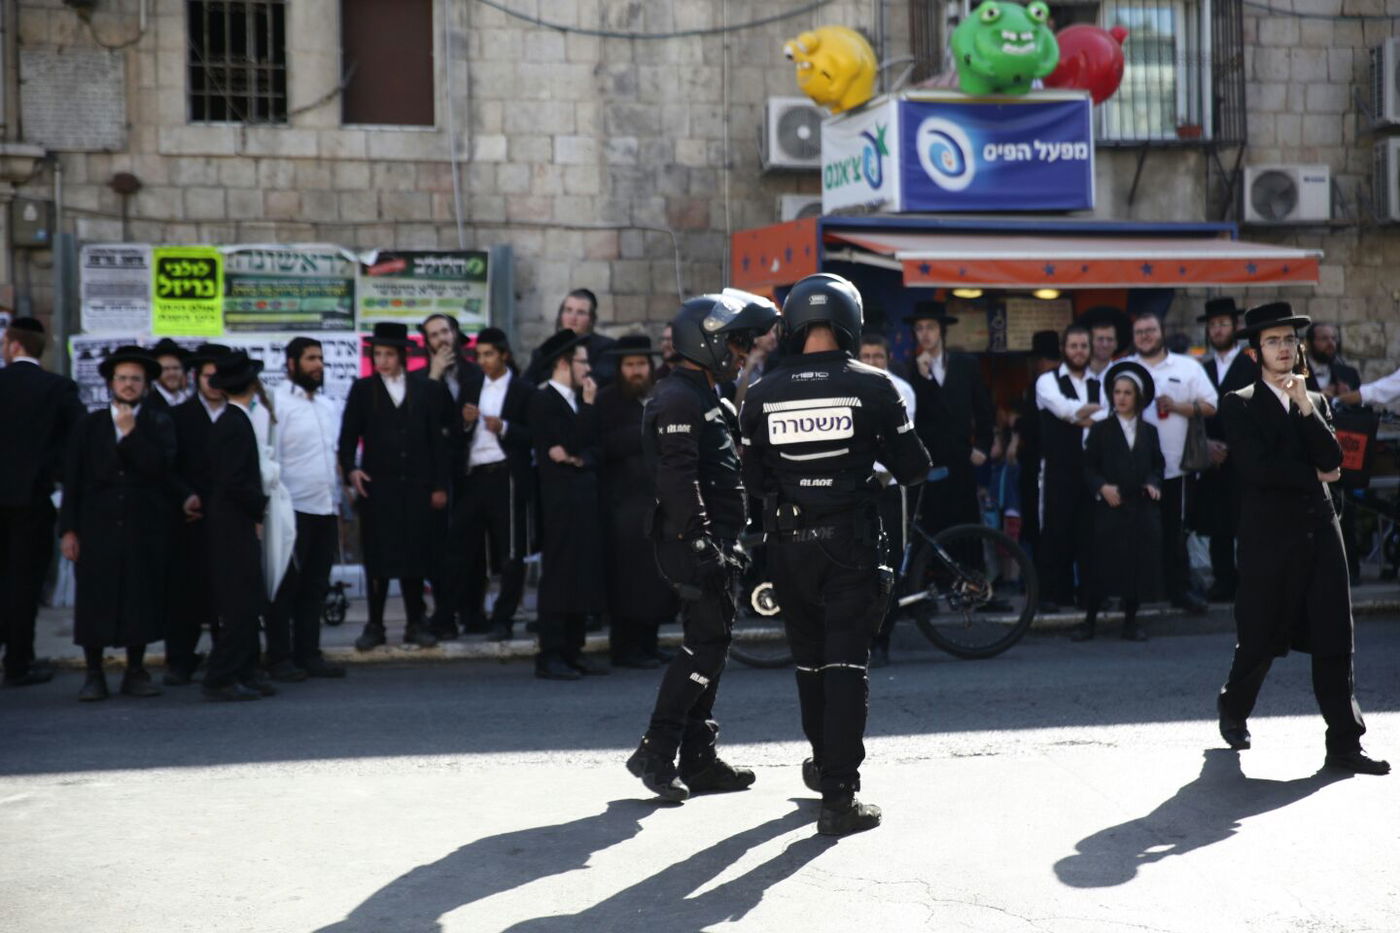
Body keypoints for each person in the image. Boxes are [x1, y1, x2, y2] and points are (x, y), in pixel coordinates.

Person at [739, 273, 931, 836]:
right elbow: (914, 468)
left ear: (794, 322)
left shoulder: (761, 392)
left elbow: (752, 479)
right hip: (849, 545)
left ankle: (824, 765)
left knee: (808, 664)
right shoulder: (875, 386)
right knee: (847, 666)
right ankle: (839, 798)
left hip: (787, 549)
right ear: (850, 319)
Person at [1216, 302, 1387, 775]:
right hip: (1269, 540)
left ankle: (1345, 746)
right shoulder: (1239, 402)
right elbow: (1257, 470)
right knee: (1259, 637)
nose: (1284, 348)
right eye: (1273, 341)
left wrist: (1307, 407)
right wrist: (1315, 473)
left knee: (1335, 637)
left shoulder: (1317, 401)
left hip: (1321, 532)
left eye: (1290, 340)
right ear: (1256, 352)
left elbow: (1336, 458)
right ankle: (1233, 708)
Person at [625, 291, 777, 802]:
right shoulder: (676, 398)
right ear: (706, 341)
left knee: (713, 645)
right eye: (736, 342)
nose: (742, 352)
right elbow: (677, 477)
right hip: (691, 543)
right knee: (705, 645)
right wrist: (701, 541)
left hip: (718, 541)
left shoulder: (710, 395)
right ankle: (655, 751)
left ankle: (698, 758)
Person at [60, 347, 188, 700]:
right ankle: (94, 673)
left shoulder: (158, 422)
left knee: (139, 598)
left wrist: (131, 437)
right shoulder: (90, 424)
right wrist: (68, 529)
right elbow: (74, 479)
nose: (129, 385)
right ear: (110, 383)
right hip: (96, 525)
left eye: (135, 379)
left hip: (142, 525)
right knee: (94, 600)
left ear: (146, 385)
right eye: (122, 378)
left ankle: (136, 670)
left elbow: (161, 470)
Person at [339, 322, 450, 651]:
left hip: (416, 487)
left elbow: (437, 443)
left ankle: (416, 621)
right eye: (378, 354)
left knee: (415, 555)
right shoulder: (362, 390)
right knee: (378, 557)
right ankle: (375, 624)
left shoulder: (423, 389)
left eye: (388, 354)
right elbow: (346, 438)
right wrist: (351, 471)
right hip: (379, 489)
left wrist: (439, 485)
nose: (382, 361)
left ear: (402, 355)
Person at [0, 317, 84, 687]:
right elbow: (76, 446)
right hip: (33, 500)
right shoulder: (58, 388)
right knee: (25, 583)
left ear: (14, 345)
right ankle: (19, 661)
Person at [265, 337, 346, 680]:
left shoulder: (327, 406)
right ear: (292, 364)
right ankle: (279, 657)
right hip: (291, 509)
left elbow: (333, 457)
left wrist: (340, 501)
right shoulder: (275, 404)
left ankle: (308, 653)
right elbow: (270, 459)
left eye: (321, 359)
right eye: (311, 359)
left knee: (315, 586)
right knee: (285, 587)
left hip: (325, 508)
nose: (318, 365)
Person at [1125, 312, 1216, 615]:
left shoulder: (1187, 367)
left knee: (1174, 533)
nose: (1146, 336)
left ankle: (1179, 591)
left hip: (1176, 467)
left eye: (1150, 330)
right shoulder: (1123, 369)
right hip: (1134, 471)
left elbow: (1212, 404)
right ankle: (1138, 596)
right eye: (1140, 332)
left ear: (1161, 332)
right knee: (1136, 534)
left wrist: (1177, 406)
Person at [596, 334, 679, 668]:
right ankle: (626, 648)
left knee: (657, 578)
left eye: (640, 364)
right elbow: (602, 446)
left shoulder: (659, 396)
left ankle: (649, 642)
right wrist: (643, 434)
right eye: (629, 365)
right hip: (622, 506)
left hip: (657, 501)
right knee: (628, 582)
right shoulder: (607, 401)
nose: (635, 371)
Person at [530, 330, 608, 679]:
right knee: (560, 575)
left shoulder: (578, 401)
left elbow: (592, 450)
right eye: (582, 361)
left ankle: (574, 649)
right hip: (560, 502)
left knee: (582, 574)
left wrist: (578, 458)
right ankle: (551, 653)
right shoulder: (545, 401)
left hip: (584, 499)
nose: (587, 368)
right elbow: (567, 444)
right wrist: (587, 416)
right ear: (564, 363)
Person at [455, 327, 536, 642]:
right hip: (475, 474)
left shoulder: (523, 390)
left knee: (511, 549)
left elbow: (532, 435)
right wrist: (465, 421)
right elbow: (456, 432)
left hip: (507, 475)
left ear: (504, 355)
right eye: (480, 355)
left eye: (489, 354)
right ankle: (471, 613)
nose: (484, 361)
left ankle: (504, 617)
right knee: (468, 545)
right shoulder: (471, 385)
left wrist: (504, 428)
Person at [1074, 361, 1164, 642]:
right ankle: (1089, 621)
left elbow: (1157, 465)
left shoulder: (1149, 431)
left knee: (1135, 565)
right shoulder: (1101, 429)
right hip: (1110, 507)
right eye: (1117, 392)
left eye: (1127, 392)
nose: (1121, 398)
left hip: (1138, 507)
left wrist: (1152, 483)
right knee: (1101, 564)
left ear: (1137, 397)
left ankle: (1131, 622)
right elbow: (1088, 467)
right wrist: (1102, 487)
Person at [201, 352, 272, 702]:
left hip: (236, 521)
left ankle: (245, 670)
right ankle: (221, 676)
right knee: (239, 604)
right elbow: (233, 480)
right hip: (231, 525)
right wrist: (261, 506)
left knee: (249, 600)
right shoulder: (232, 423)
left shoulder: (234, 418)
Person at [164, 343, 231, 685]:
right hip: (191, 519)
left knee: (226, 591)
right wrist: (185, 496)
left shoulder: (238, 415)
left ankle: (225, 657)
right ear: (196, 377)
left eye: (221, 376)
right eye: (209, 376)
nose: (215, 382)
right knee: (186, 593)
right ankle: (180, 659)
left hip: (228, 518)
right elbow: (168, 468)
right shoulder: (180, 417)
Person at [904, 301, 994, 536]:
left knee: (964, 528)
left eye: (930, 327)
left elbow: (984, 409)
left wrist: (983, 446)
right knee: (928, 528)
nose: (925, 333)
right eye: (920, 328)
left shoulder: (966, 365)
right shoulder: (909, 370)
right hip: (928, 461)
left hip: (961, 460)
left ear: (941, 330)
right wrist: (923, 379)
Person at [1034, 324, 1105, 613]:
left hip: (1090, 469)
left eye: (1083, 346)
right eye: (1073, 346)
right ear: (1064, 349)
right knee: (1054, 531)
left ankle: (1087, 596)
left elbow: (1105, 416)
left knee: (1088, 533)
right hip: (1058, 468)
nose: (1078, 351)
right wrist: (1086, 412)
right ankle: (1050, 595)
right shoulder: (1046, 381)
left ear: (1090, 350)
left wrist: (1077, 414)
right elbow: (1063, 409)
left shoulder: (1100, 383)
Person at [1192, 298, 1258, 602]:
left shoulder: (1250, 364)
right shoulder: (1201, 368)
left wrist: (1233, 445)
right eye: (1213, 325)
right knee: (1218, 522)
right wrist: (1206, 444)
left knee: (1246, 521)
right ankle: (1222, 580)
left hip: (1243, 456)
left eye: (1223, 324)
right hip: (1212, 456)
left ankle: (1250, 581)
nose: (1217, 330)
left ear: (1235, 327)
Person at [857, 332, 917, 668]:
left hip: (890, 485)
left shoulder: (902, 390)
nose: (872, 362)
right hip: (857, 486)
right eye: (865, 356)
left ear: (887, 358)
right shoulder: (848, 387)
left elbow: (903, 441)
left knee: (888, 563)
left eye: (877, 356)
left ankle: (883, 638)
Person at [420, 313, 478, 636]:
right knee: (440, 547)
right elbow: (425, 423)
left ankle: (471, 611)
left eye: (445, 332)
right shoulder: (424, 379)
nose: (442, 339)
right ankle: (444, 614)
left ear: (455, 335)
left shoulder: (475, 373)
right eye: (434, 335)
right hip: (437, 474)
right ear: (427, 343)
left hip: (472, 470)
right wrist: (434, 376)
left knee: (469, 545)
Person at [1009, 330, 1060, 560]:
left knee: (1036, 518)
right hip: (1052, 462)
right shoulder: (1066, 382)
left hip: (1036, 463)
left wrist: (1013, 422)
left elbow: (1031, 424)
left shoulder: (1041, 384)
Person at [525, 289, 618, 386]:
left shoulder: (606, 347)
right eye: (568, 310)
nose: (573, 317)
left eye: (581, 312)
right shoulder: (546, 350)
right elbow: (527, 383)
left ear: (591, 319)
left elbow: (599, 379)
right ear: (561, 315)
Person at [1304, 323, 1360, 400]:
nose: (1331, 343)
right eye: (1324, 339)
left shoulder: (1349, 374)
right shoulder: (1296, 373)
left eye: (1333, 338)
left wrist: (1348, 397)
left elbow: (1360, 406)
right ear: (1309, 343)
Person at [1080, 306, 1128, 380]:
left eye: (1110, 339)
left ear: (1116, 344)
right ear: (1090, 342)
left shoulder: (1122, 375)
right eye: (1100, 339)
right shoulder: (1078, 373)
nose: (1105, 344)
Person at [146, 338, 192, 410]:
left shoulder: (191, 402)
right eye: (166, 369)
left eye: (176, 368)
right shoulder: (147, 404)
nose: (172, 373)